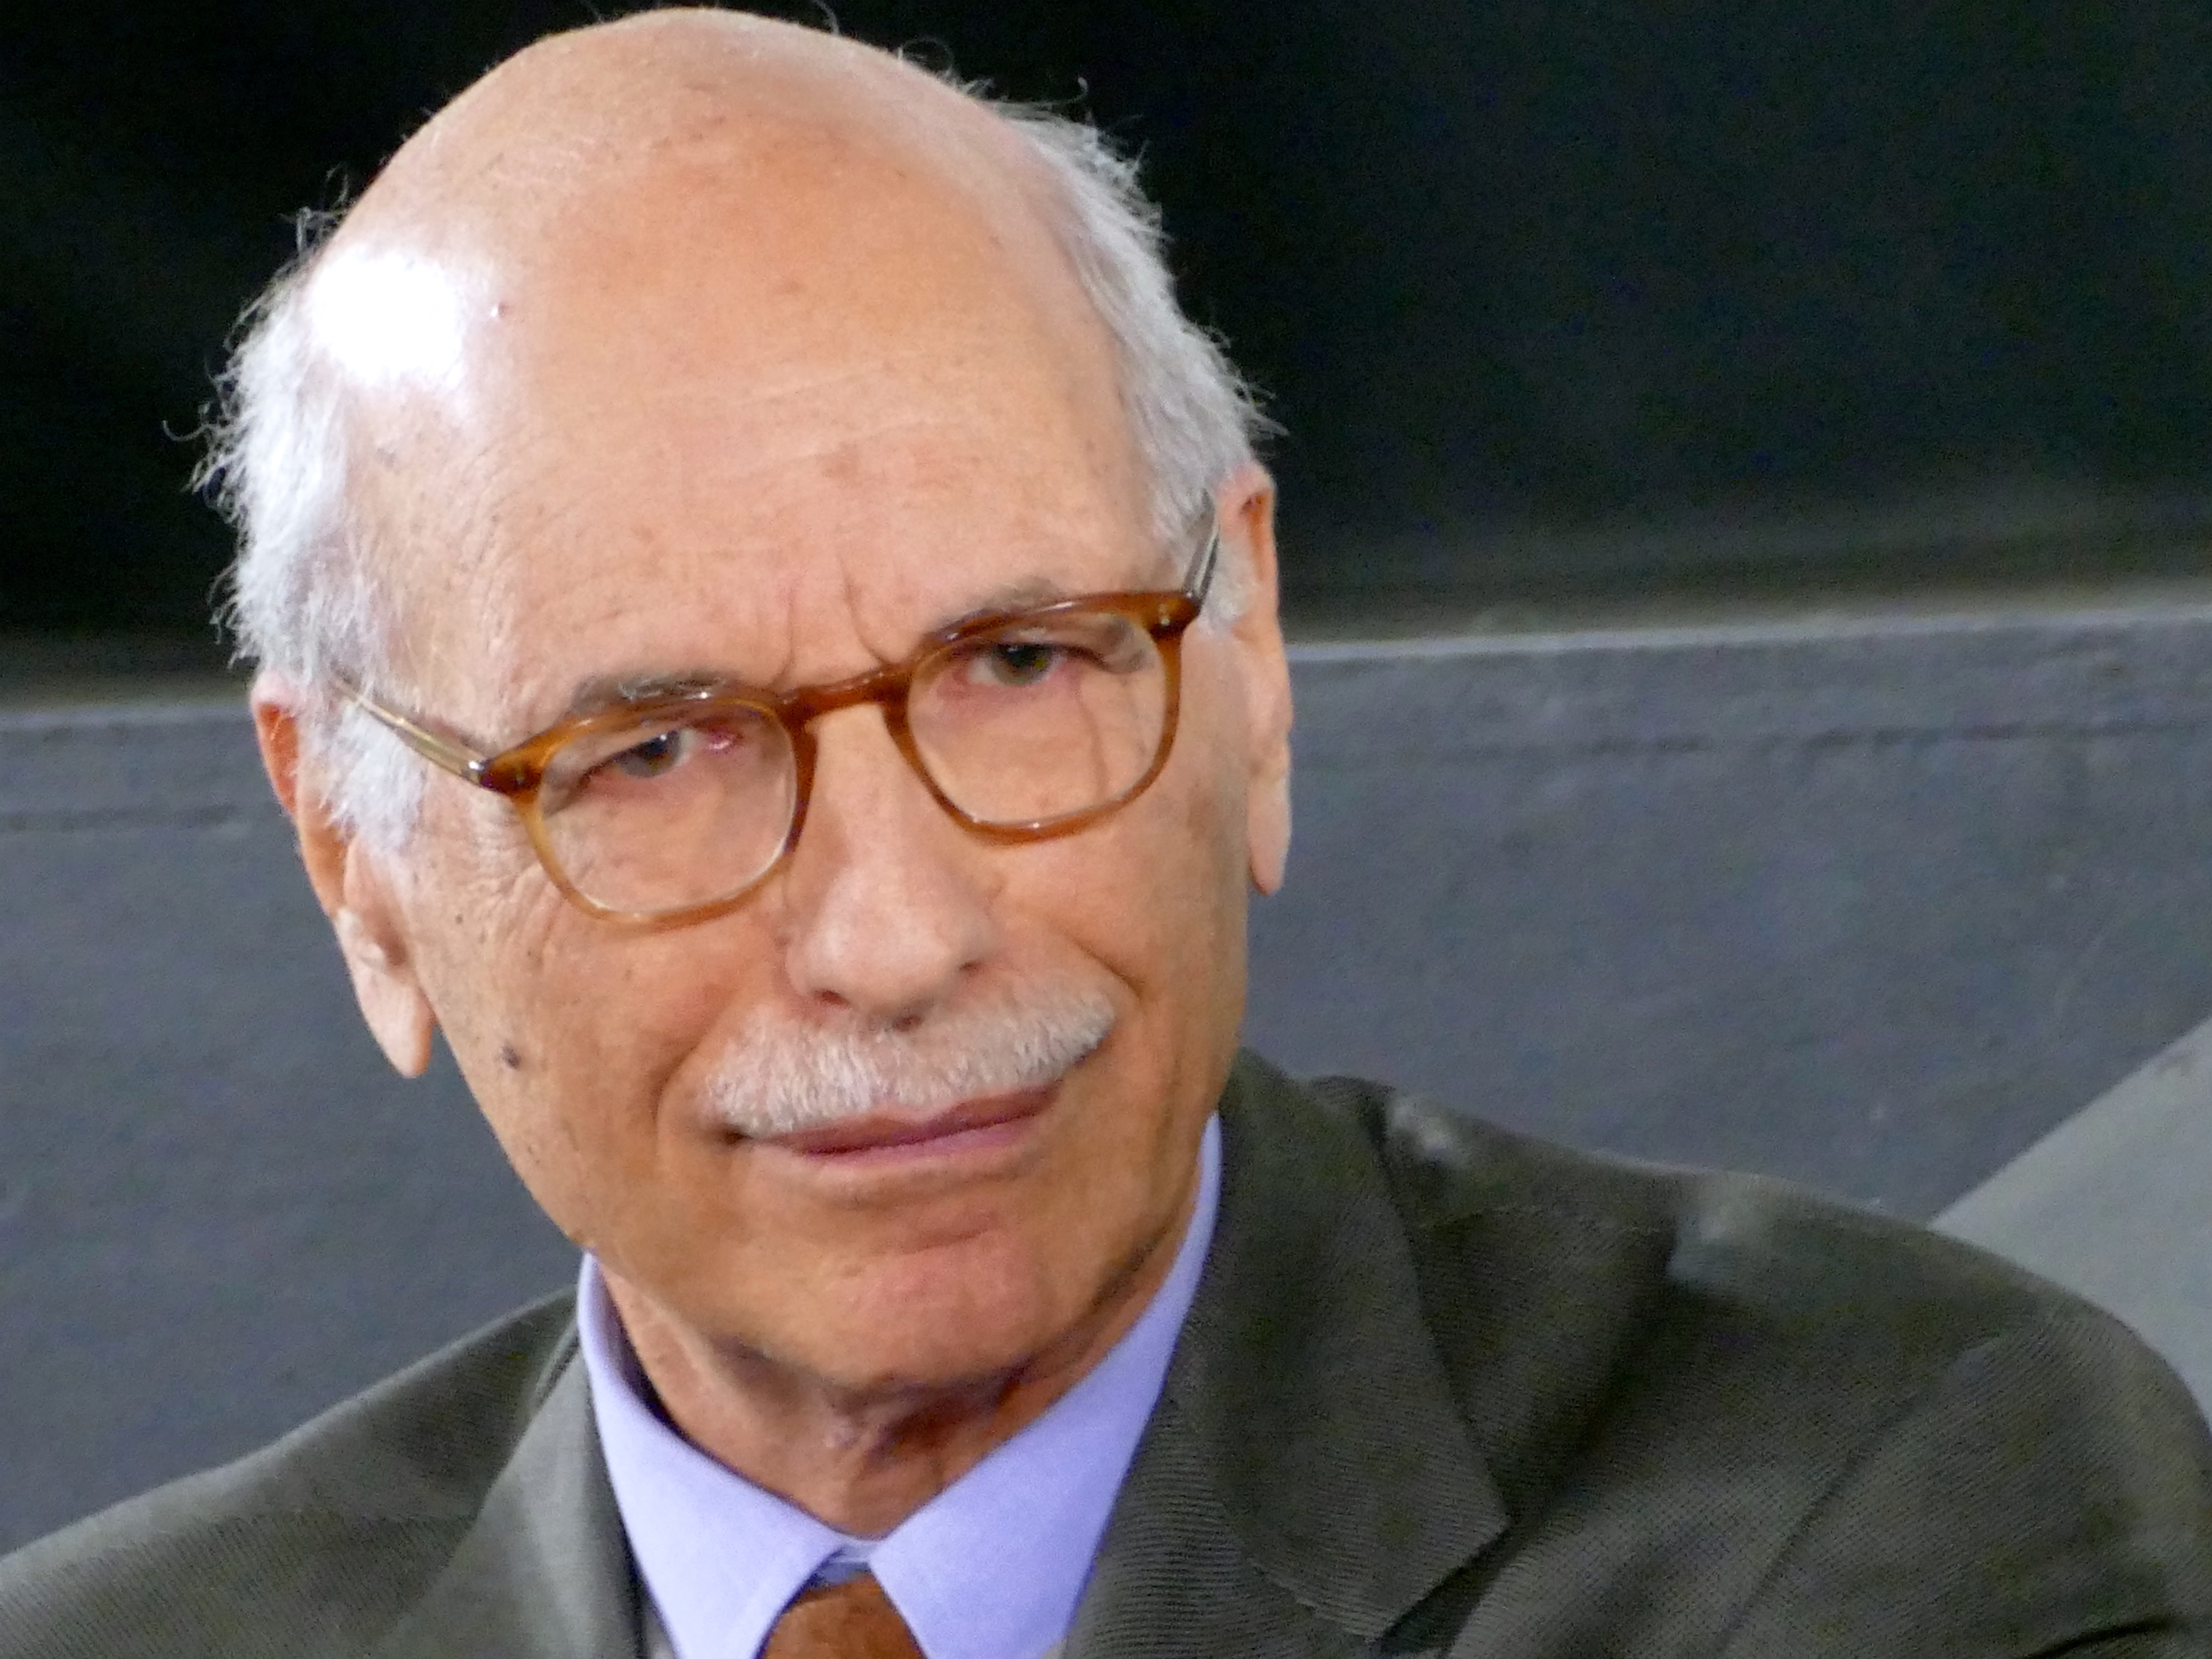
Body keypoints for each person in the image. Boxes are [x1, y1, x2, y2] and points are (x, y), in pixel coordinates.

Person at [4, 8, 2209, 1655]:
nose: (898, 932)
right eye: (657, 750)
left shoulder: (1894, 1514)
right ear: (357, 860)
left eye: (1023, 661)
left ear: (1250, 655)